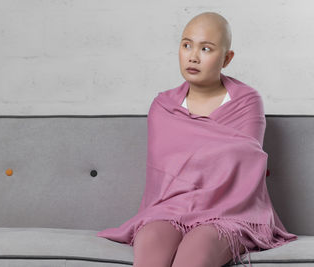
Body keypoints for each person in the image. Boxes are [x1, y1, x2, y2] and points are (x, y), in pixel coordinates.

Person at [97, 11, 298, 267]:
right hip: (170, 209)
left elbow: (244, 161)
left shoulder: (246, 102)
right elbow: (164, 171)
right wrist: (212, 151)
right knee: (151, 243)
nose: (193, 56)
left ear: (227, 58)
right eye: (186, 45)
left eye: (206, 48)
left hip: (229, 213)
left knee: (197, 248)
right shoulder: (163, 105)